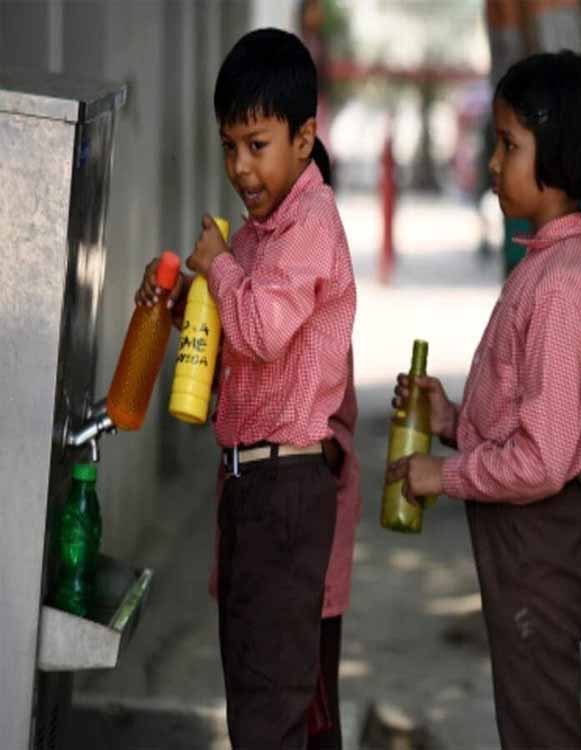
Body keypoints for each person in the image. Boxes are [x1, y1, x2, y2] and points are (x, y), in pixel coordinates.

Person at [387, 49, 581, 749]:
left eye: (509, 146)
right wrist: (453, 420)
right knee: (524, 715)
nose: (492, 163)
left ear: (558, 155)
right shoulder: (542, 263)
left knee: (538, 724)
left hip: (536, 535)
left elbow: (542, 460)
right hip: (521, 532)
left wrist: (444, 475)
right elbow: (524, 419)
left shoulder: (560, 286)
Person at [135, 28, 356, 748]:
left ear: (304, 138)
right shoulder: (261, 232)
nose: (240, 167)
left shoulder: (310, 223)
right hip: (250, 486)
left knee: (270, 711)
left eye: (257, 145)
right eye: (229, 146)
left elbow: (260, 330)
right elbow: (238, 344)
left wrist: (220, 266)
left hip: (287, 488)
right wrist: (181, 307)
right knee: (256, 697)